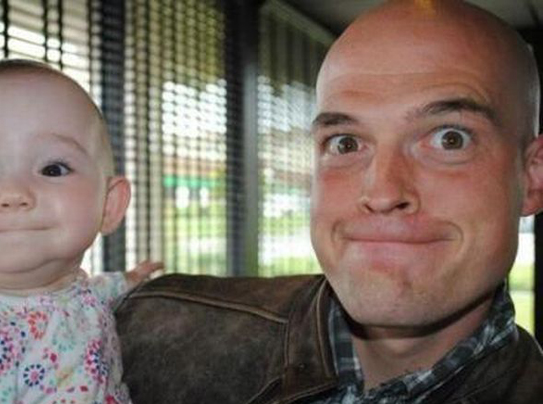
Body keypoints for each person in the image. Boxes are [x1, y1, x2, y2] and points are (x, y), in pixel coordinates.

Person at [114, 1, 543, 403]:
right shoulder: (128, 338)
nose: (383, 193)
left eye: (450, 139)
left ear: (532, 177)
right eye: (346, 143)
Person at [0, 60, 161, 403]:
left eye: (53, 169)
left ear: (109, 205)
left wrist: (129, 279)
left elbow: (93, 292)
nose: (14, 193)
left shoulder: (76, 293)